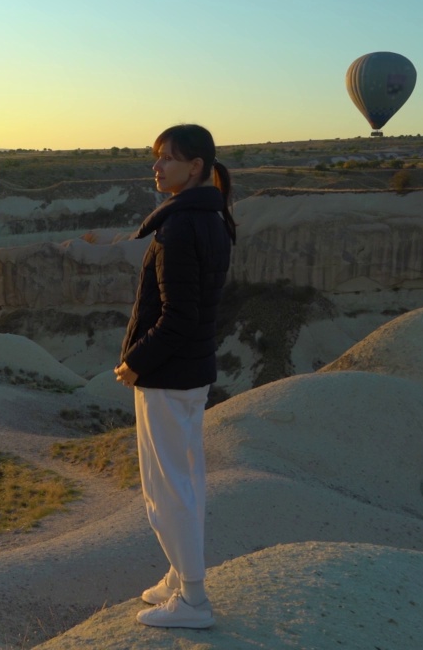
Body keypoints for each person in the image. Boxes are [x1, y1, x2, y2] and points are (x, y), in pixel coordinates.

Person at [114, 123, 237, 629]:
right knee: (181, 480)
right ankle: (177, 575)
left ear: (196, 167)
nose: (157, 167)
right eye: (156, 157)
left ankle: (192, 601)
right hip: (188, 372)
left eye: (167, 158)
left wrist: (136, 361)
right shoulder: (212, 216)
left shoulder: (180, 226)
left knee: (168, 488)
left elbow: (178, 316)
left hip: (168, 374)